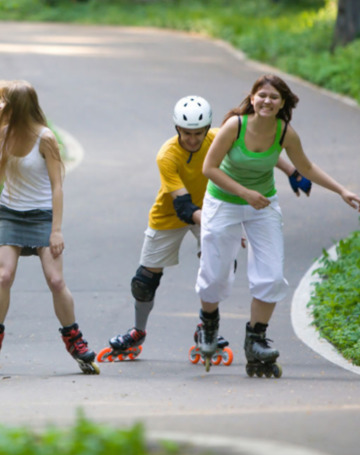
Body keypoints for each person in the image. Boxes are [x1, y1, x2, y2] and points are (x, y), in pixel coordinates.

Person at [98, 95, 311, 364]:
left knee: (219, 265)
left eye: (198, 133)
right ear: (177, 129)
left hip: (215, 206)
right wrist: (223, 226)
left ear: (206, 128)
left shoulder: (218, 136)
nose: (193, 139)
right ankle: (138, 331)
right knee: (144, 281)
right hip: (173, 214)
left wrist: (293, 171)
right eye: (187, 133)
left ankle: (205, 326)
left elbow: (258, 150)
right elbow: (185, 207)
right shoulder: (167, 155)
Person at [195, 74, 360, 377]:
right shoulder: (235, 125)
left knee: (271, 275)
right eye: (262, 95)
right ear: (252, 97)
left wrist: (342, 190)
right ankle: (208, 326)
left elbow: (307, 167)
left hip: (263, 205)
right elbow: (209, 168)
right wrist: (244, 193)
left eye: (274, 97)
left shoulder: (285, 133)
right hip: (223, 201)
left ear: (282, 103)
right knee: (215, 271)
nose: (267, 101)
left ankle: (256, 339)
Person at [0, 80, 99, 376]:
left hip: (42, 216)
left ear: (20, 110)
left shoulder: (46, 138)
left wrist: (56, 230)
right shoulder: (5, 132)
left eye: (8, 106)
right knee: (5, 275)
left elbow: (57, 186)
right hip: (11, 213)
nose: (2, 110)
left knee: (56, 281)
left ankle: (74, 339)